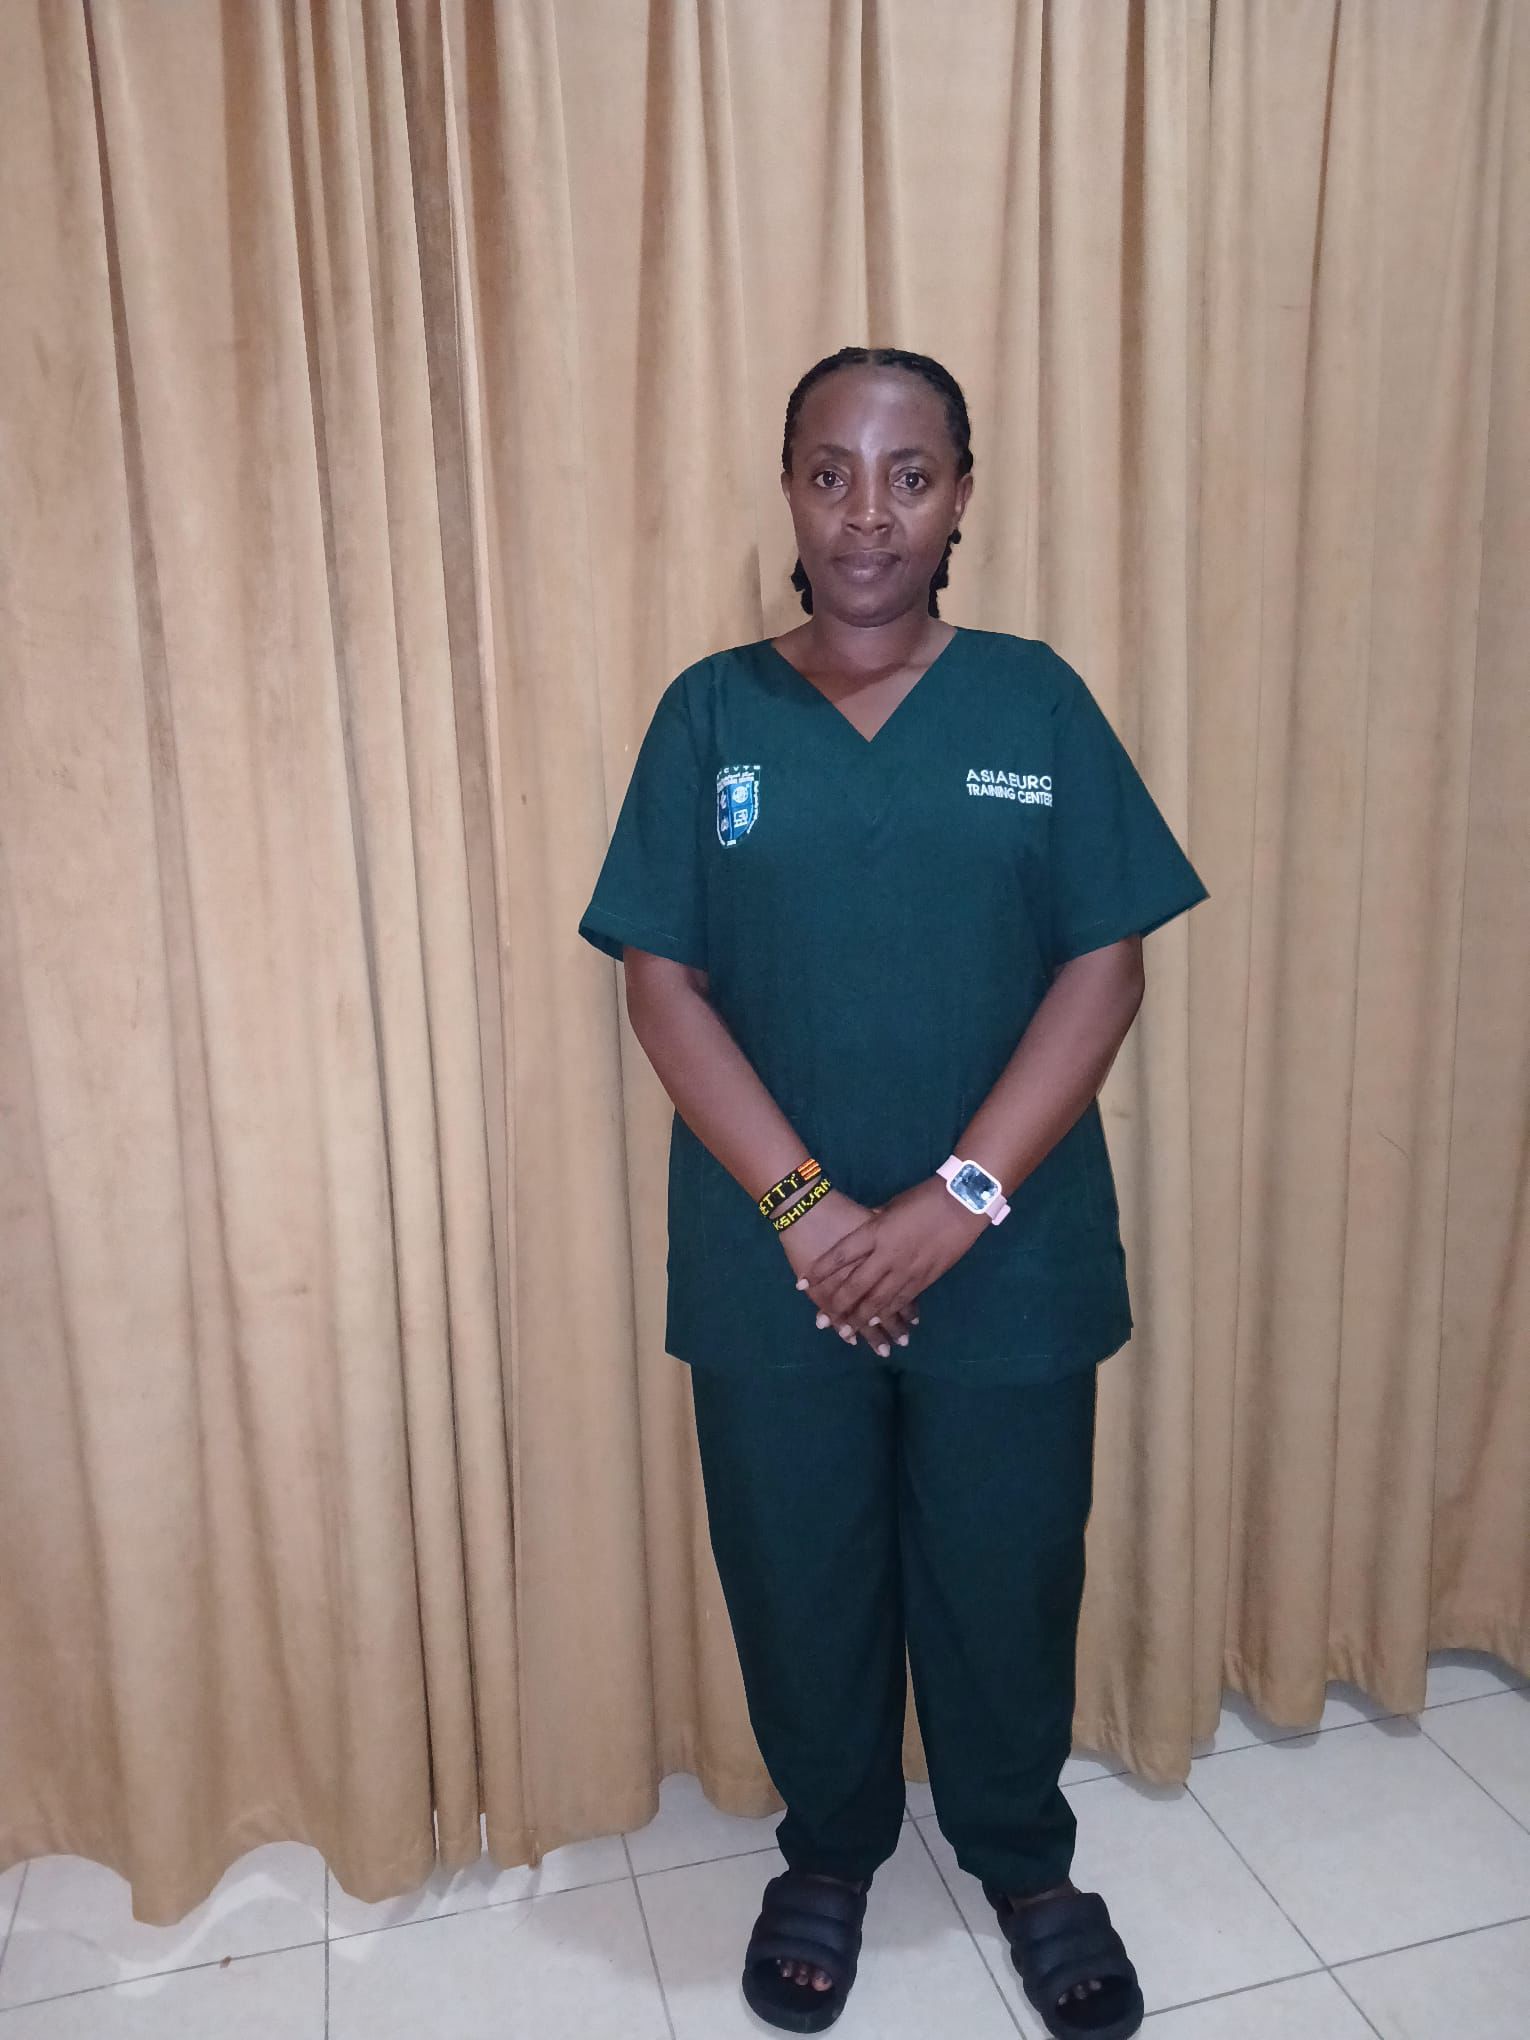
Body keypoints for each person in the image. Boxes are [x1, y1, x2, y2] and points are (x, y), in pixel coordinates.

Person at [578, 345, 1207, 2039]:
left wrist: (951, 1204)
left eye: (909, 475)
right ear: (788, 493)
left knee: (1008, 1569)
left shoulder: (1033, 701)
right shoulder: (709, 712)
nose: (869, 513)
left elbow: (1104, 964)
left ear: (959, 498)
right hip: (770, 1254)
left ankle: (1023, 1858)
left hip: (1006, 1249)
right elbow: (658, 982)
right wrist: (809, 1214)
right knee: (797, 1568)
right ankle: (831, 1847)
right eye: (831, 473)